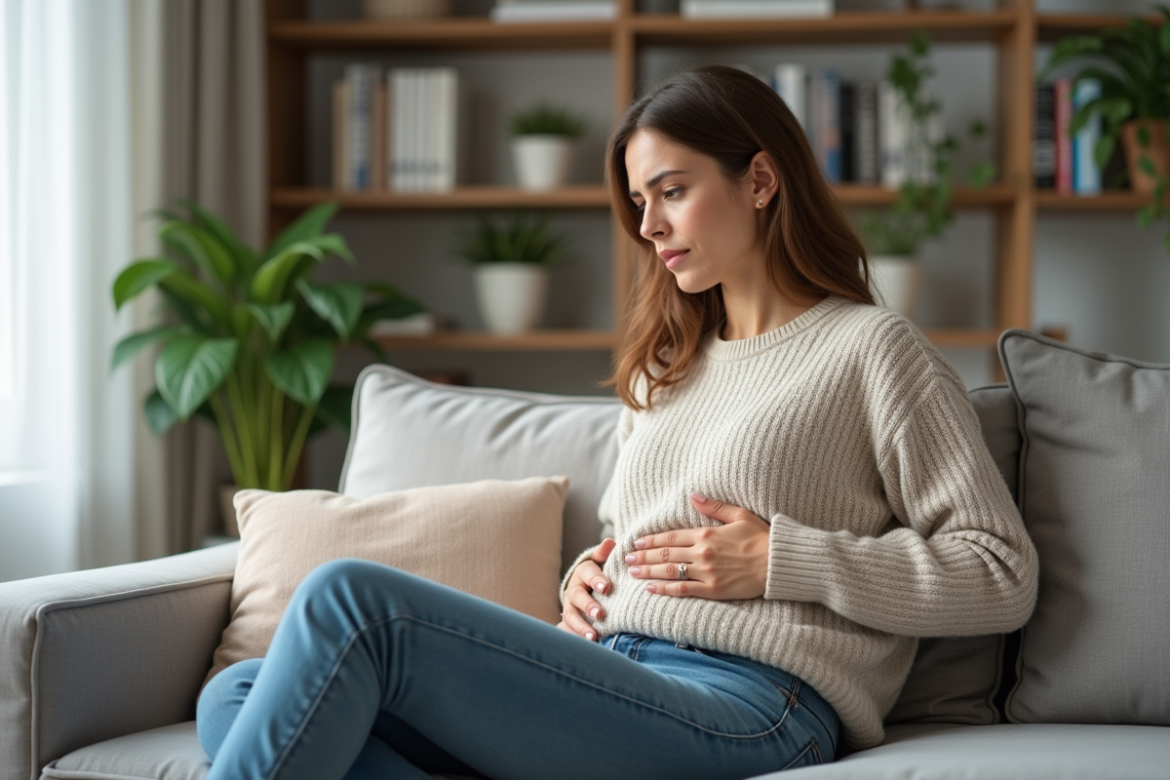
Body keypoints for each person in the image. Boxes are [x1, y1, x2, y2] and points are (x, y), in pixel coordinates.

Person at [196, 64, 1038, 780]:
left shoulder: (872, 350)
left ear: (759, 180)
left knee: (353, 605)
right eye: (639, 200)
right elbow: (630, 539)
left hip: (755, 702)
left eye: (673, 191)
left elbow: (1000, 572)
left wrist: (785, 558)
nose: (648, 227)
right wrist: (584, 581)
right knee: (235, 695)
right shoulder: (666, 365)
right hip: (615, 670)